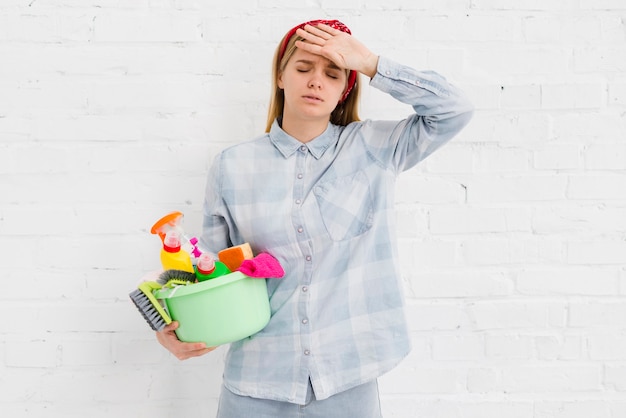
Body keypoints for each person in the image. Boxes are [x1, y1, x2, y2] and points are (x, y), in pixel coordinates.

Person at [156, 19, 473, 417]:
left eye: (332, 72)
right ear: (281, 77)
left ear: (345, 89)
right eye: (303, 68)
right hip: (257, 380)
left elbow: (455, 110)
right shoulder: (232, 167)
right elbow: (210, 273)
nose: (315, 81)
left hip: (349, 378)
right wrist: (175, 328)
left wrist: (371, 63)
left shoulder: (375, 148)